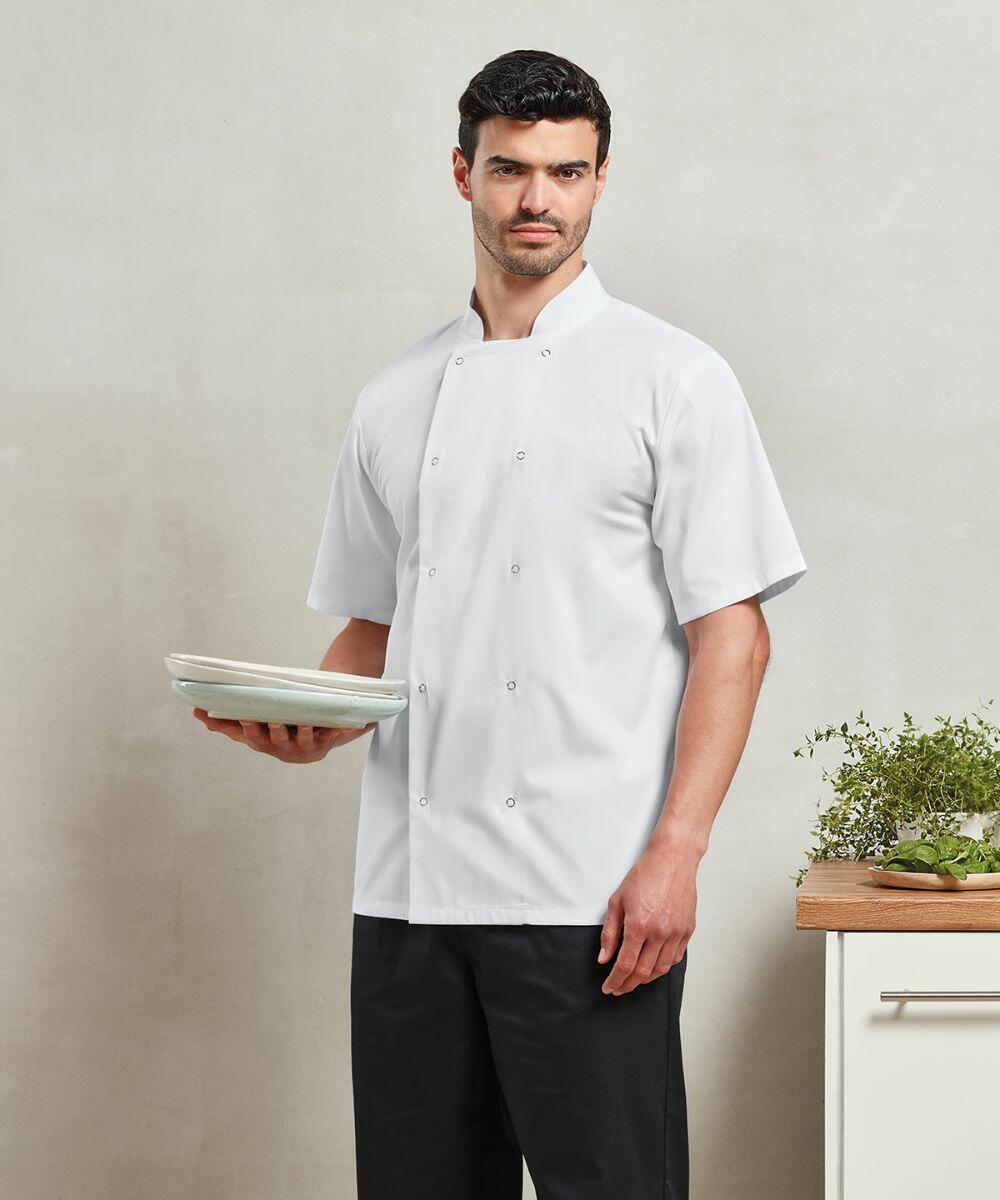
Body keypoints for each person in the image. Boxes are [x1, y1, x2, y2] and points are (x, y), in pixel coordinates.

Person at [193, 48, 807, 1200]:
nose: (538, 200)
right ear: (462, 173)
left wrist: (675, 852)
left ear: (599, 181)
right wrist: (307, 722)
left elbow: (735, 633)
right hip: (409, 894)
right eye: (513, 170)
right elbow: (377, 625)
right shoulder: (395, 396)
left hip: (590, 894)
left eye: (566, 173)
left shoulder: (672, 377)